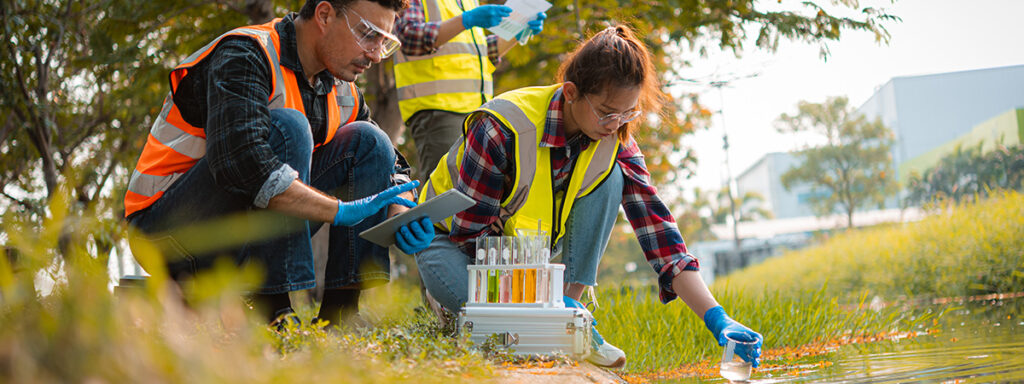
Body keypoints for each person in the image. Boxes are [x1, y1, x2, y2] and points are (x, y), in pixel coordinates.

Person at [414, 26, 764, 368]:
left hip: (528, 260)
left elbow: (661, 237)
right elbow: (470, 237)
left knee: (613, 178)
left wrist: (717, 317)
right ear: (570, 92)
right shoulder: (502, 126)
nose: (615, 124)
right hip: (452, 245)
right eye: (606, 111)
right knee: (512, 335)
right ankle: (538, 321)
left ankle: (568, 314)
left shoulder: (616, 142)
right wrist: (545, 305)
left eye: (628, 112)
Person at [124, 0, 435, 326]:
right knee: (290, 128)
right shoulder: (245, 55)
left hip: (241, 238)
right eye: (368, 34)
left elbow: (389, 161)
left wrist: (400, 207)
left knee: (369, 141)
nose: (375, 54)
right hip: (168, 237)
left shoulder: (339, 87)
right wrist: (339, 211)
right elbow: (241, 164)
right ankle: (274, 312)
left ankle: (342, 317)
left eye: (384, 43)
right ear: (325, 15)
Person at [392, 0, 546, 182]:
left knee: (476, 190)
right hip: (439, 111)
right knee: (446, 188)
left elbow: (479, 53)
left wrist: (517, 31)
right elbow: (408, 37)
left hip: (477, 113)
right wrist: (466, 19)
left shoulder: (467, 2)